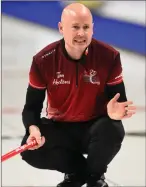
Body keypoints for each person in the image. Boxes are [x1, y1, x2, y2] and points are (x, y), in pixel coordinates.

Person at [20, 3, 136, 187]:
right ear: (61, 28)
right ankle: (79, 173)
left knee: (113, 128)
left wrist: (116, 112)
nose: (81, 33)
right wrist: (33, 128)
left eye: (86, 27)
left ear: (92, 29)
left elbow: (118, 100)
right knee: (29, 150)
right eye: (75, 27)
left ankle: (94, 178)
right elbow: (31, 108)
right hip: (61, 128)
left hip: (94, 129)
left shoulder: (109, 56)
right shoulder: (43, 60)